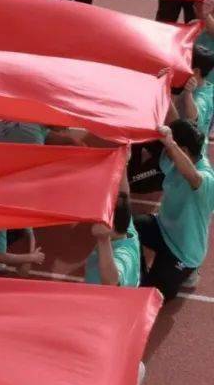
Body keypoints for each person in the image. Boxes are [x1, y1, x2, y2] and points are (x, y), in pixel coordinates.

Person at [135, 121, 214, 301]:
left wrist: (170, 144)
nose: (164, 152)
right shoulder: (179, 157)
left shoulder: (207, 179)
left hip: (183, 252)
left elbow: (193, 177)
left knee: (152, 298)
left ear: (183, 151)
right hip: (163, 228)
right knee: (127, 229)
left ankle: (188, 271)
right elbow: (179, 119)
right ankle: (142, 274)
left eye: (169, 149)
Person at [86, 193, 141, 287]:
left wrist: (103, 239)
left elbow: (111, 282)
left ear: (110, 225)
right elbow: (123, 191)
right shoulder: (126, 225)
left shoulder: (124, 255)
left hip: (102, 299)